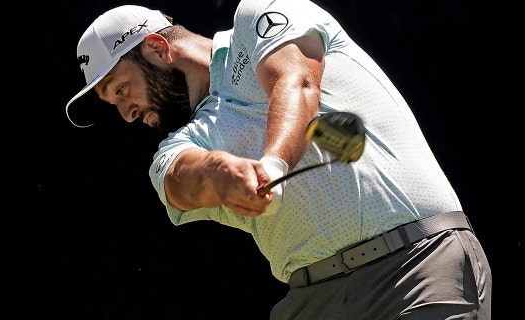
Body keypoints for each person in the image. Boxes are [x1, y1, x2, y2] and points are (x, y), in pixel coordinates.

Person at [64, 1, 492, 319]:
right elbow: (182, 180)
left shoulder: (260, 16)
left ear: (158, 49)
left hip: (417, 268)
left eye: (121, 90)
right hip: (310, 301)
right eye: (114, 104)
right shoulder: (177, 145)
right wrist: (220, 172)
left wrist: (273, 165)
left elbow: (296, 80)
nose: (126, 113)